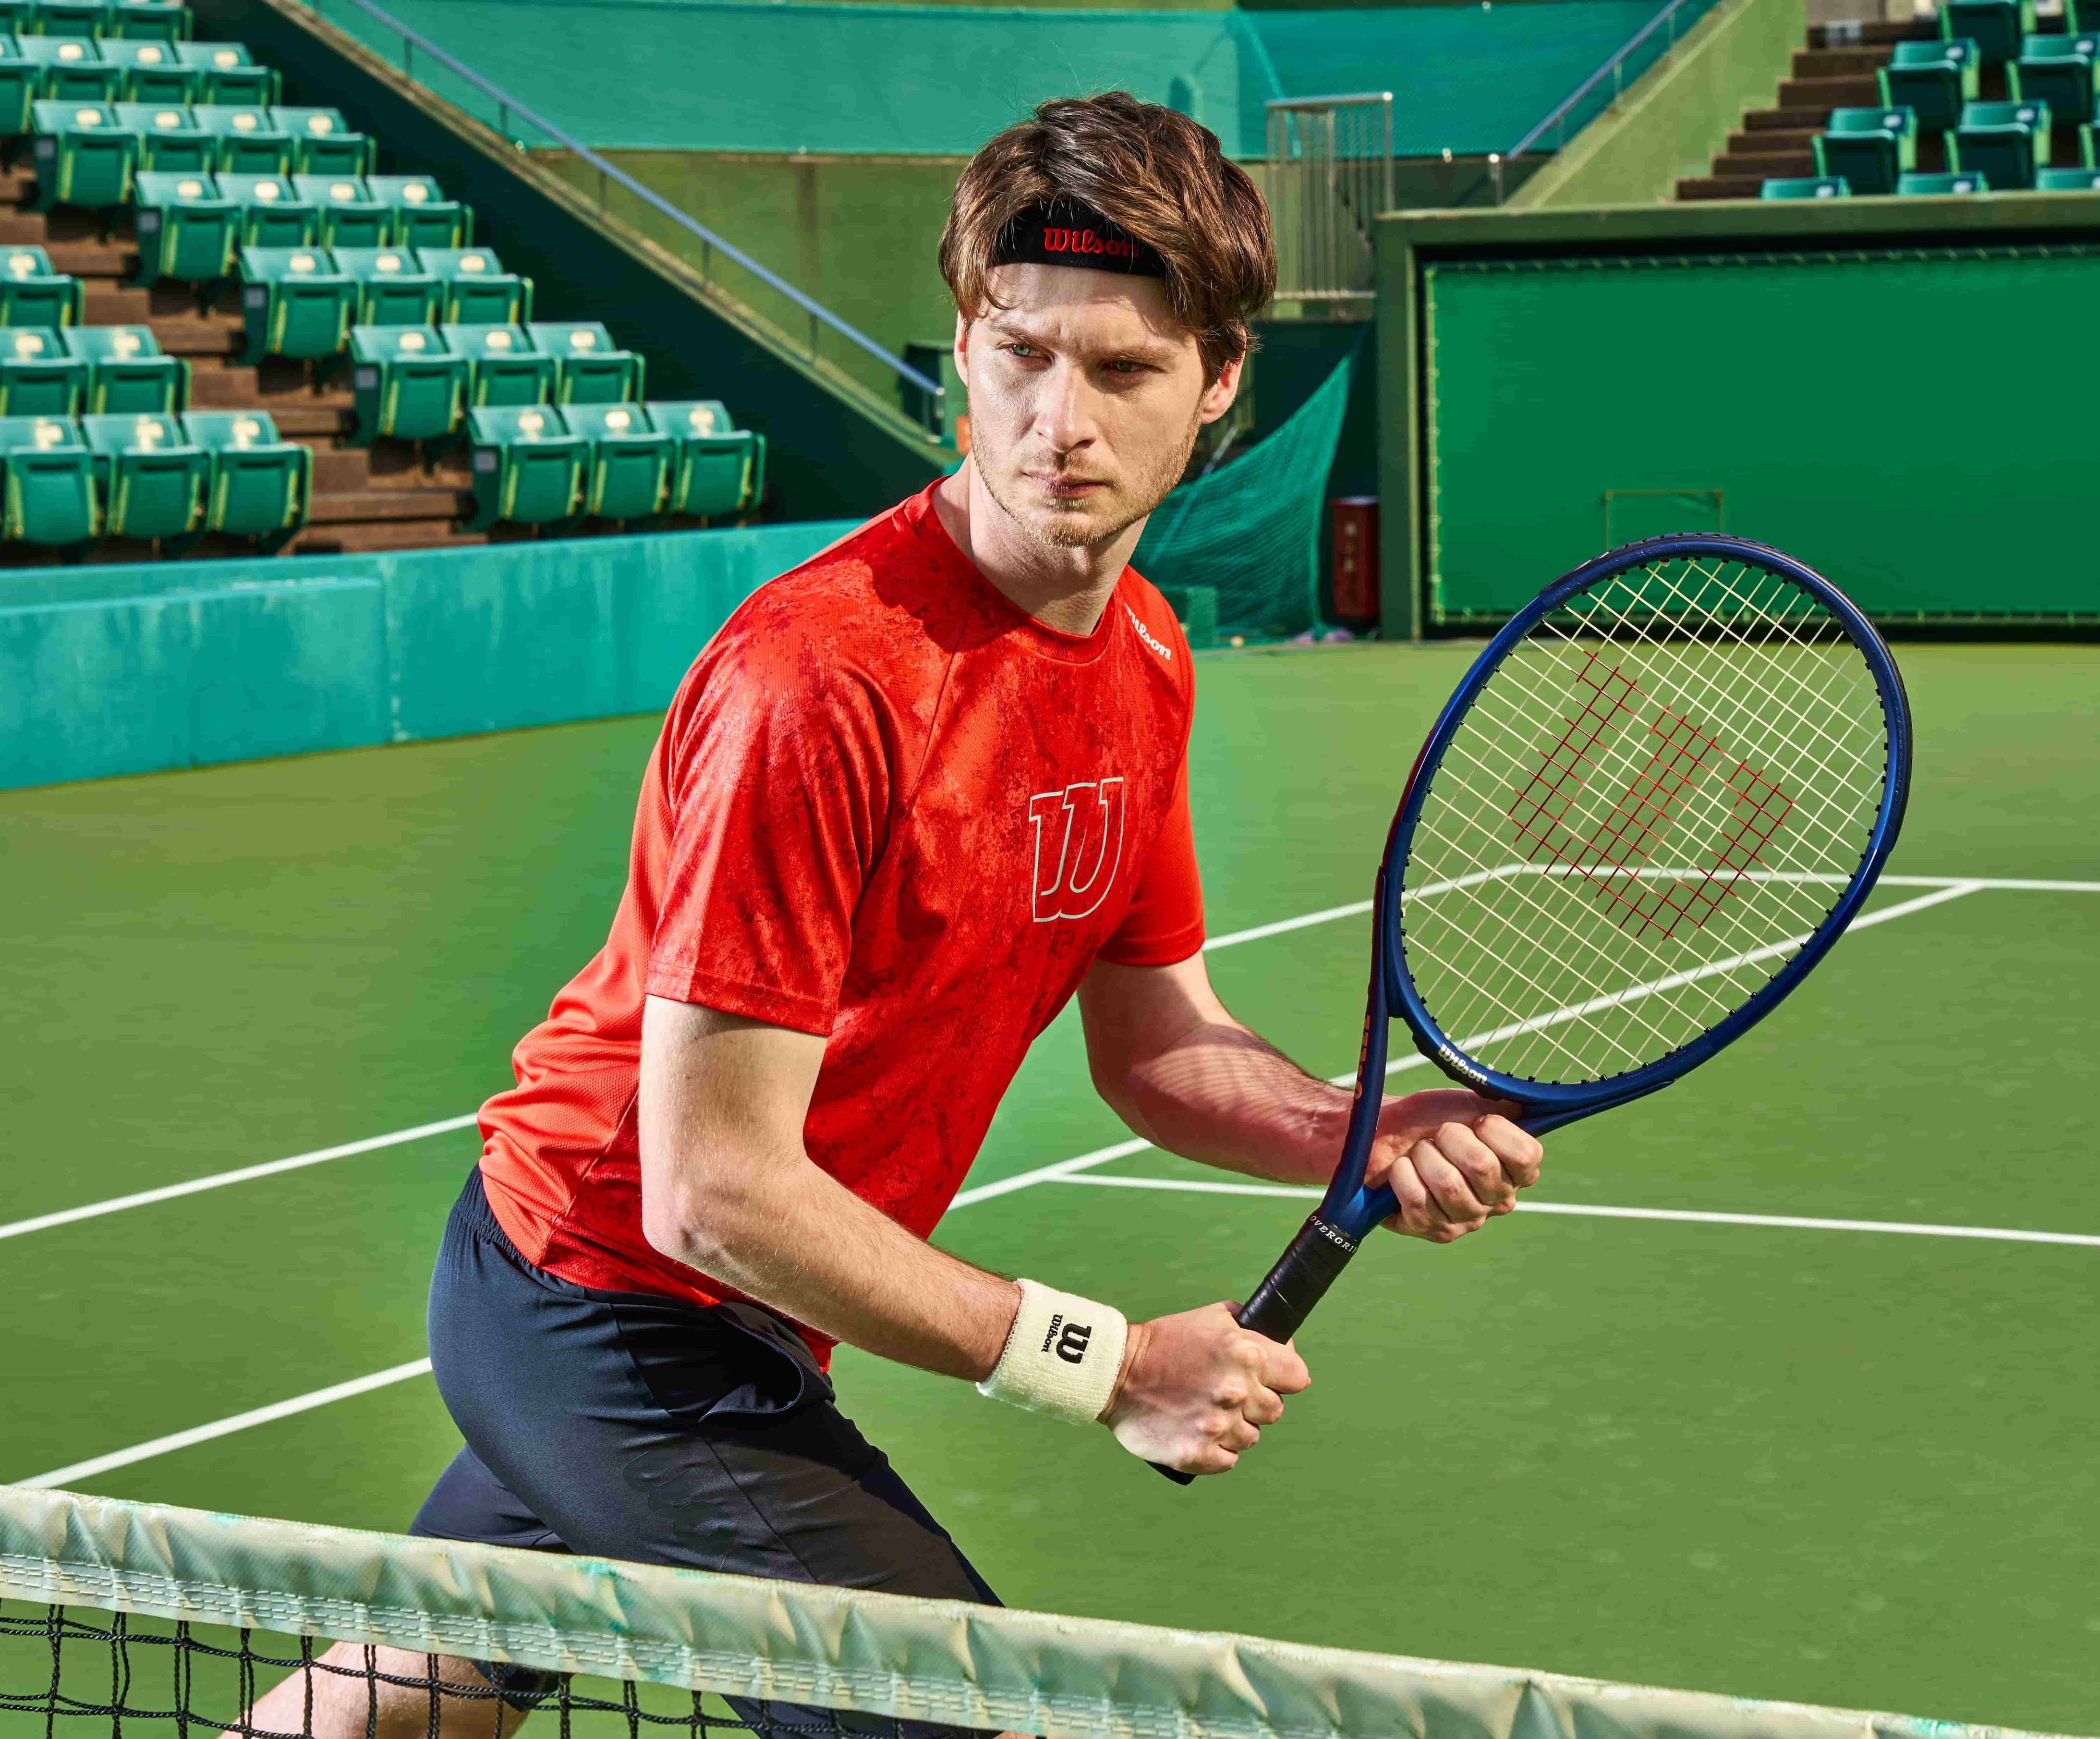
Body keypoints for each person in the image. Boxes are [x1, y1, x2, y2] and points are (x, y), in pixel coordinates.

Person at [247, 91, 1542, 1739]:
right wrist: (1109, 1366)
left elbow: (1159, 1042)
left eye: (1124, 369)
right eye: (1020, 353)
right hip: (606, 1302)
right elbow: (714, 1189)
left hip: (743, 1308)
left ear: (1221, 381)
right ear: (963, 345)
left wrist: (1354, 1132)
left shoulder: (1143, 655)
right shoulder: (825, 678)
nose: (1058, 421)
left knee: (421, 1691)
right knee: (958, 1715)